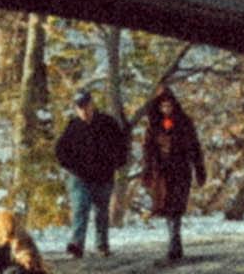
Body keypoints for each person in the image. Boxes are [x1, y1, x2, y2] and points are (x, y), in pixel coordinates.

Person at [52, 91, 130, 259]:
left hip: (103, 176)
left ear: (92, 104)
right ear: (76, 109)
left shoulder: (108, 123)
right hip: (80, 178)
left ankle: (102, 245)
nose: (84, 111)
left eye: (86, 106)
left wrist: (116, 163)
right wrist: (71, 167)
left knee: (101, 213)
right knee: (80, 208)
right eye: (80, 108)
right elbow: (60, 151)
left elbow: (122, 145)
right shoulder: (73, 126)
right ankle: (77, 245)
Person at [136, 83, 206, 263]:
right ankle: (174, 244)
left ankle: (174, 244)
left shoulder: (185, 122)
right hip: (162, 172)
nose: (166, 108)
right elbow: (148, 150)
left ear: (174, 105)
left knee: (177, 205)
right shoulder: (153, 125)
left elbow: (195, 147)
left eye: (169, 105)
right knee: (168, 207)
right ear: (158, 106)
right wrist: (147, 171)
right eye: (163, 105)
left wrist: (199, 169)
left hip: (181, 169)